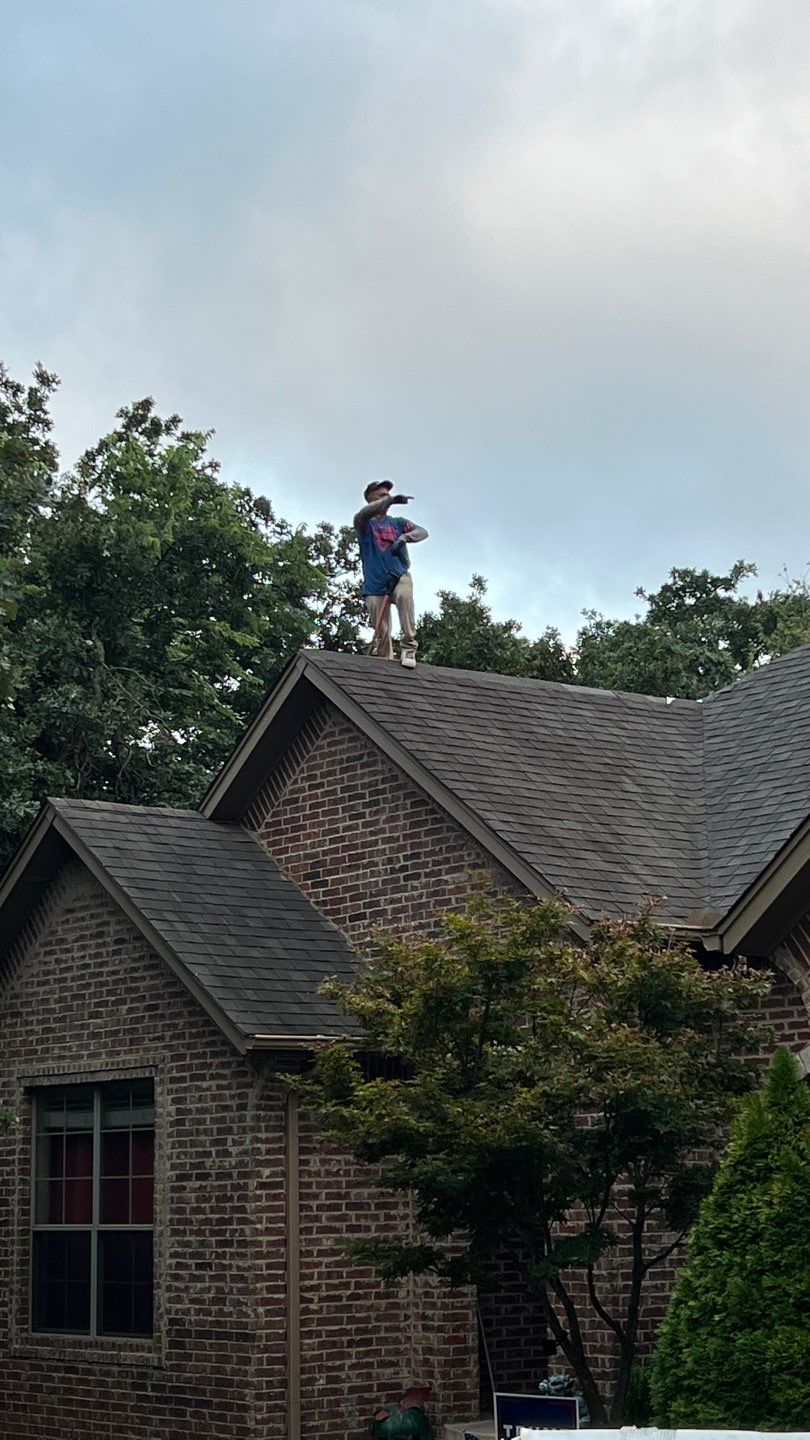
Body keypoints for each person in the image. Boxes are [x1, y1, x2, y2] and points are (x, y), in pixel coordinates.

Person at [354, 480, 429, 667]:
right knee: (381, 629)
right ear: (371, 500)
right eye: (381, 496)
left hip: (399, 575)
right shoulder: (363, 523)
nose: (386, 498)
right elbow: (364, 513)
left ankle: (409, 649)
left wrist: (405, 537)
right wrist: (393, 500)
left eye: (387, 495)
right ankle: (385, 660)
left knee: (405, 597)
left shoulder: (399, 523)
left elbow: (423, 532)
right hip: (374, 584)